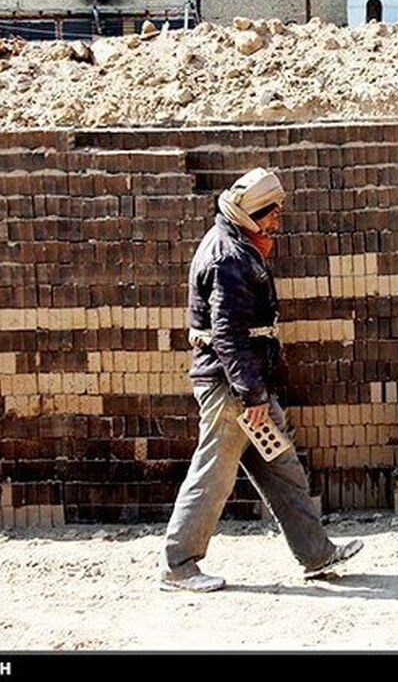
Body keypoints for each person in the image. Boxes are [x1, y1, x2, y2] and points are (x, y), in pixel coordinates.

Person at [159, 167, 363, 592]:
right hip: (232, 388)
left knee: (282, 468)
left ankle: (317, 554)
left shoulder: (234, 244)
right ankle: (179, 565)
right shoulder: (229, 259)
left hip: (245, 385)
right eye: (272, 213)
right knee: (213, 474)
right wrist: (251, 393)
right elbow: (228, 336)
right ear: (253, 213)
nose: (277, 221)